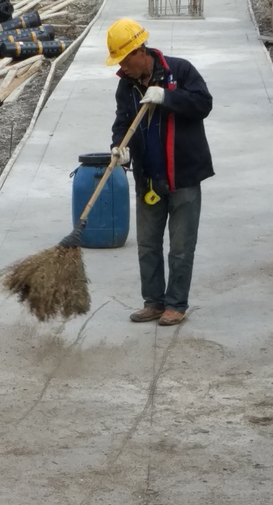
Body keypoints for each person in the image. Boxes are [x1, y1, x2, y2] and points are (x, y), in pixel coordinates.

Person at [106, 19, 214, 326]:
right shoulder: (126, 86)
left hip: (183, 177)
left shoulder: (179, 72)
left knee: (181, 247)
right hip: (149, 178)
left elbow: (203, 104)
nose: (121, 67)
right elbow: (122, 123)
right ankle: (153, 302)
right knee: (148, 245)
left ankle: (176, 304)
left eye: (124, 60)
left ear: (140, 51)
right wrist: (119, 148)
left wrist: (167, 97)